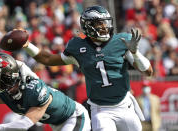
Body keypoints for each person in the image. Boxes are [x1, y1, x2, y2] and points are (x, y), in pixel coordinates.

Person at [13, 5, 153, 131]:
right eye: (100, 24)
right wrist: (27, 45)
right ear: (88, 26)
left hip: (125, 106)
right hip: (101, 110)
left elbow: (148, 72)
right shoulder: (78, 47)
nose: (105, 27)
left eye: (106, 23)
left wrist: (135, 53)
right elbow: (48, 59)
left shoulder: (121, 41)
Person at [0, 52, 91, 131]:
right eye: (7, 81)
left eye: (15, 81)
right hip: (54, 123)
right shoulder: (4, 91)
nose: (12, 86)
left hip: (73, 117)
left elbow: (24, 125)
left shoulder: (34, 90)